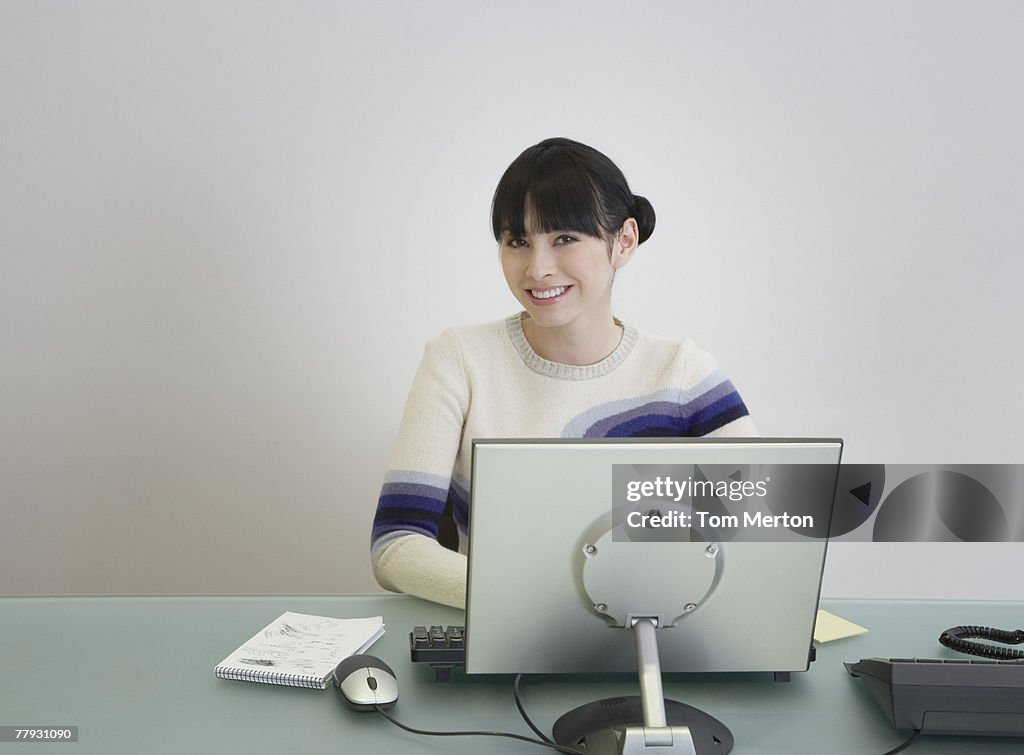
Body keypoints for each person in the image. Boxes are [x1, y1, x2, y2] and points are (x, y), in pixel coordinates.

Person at [370, 137, 757, 608]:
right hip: (510, 642)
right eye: (517, 242)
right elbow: (396, 547)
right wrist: (560, 600)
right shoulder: (458, 359)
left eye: (565, 239)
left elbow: (758, 532)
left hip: (658, 632)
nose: (538, 268)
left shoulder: (683, 373)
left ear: (625, 241)